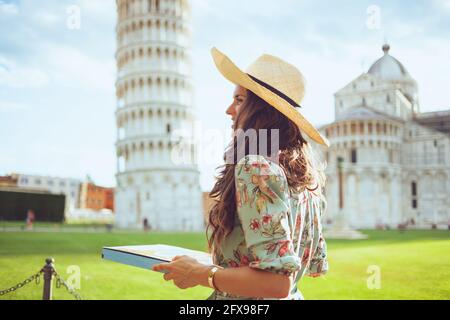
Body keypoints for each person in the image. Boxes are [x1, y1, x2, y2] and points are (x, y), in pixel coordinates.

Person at [152, 48, 329, 300]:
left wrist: (201, 274)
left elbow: (275, 283)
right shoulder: (307, 181)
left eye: (238, 100)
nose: (229, 110)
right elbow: (309, 268)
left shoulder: (255, 168)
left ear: (262, 111)